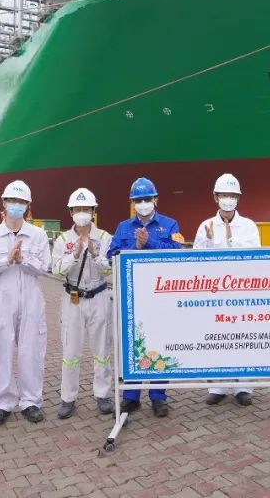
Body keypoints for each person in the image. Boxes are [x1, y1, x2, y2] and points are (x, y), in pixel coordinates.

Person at [0, 180, 52, 426]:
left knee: (32, 349)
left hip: (31, 299)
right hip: (1, 299)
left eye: (21, 202)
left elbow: (44, 266)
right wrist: (6, 260)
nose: (16, 205)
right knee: (1, 349)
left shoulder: (38, 235)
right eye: (12, 201)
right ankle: (3, 403)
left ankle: (31, 401)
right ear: (4, 203)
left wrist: (23, 259)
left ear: (28, 206)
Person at [107, 177, 185, 417]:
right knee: (132, 345)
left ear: (155, 200)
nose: (142, 204)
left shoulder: (170, 225)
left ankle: (158, 396)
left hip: (159, 295)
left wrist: (149, 242)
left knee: (159, 343)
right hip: (132, 296)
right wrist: (135, 248)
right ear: (133, 203)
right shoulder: (123, 227)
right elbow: (112, 255)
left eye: (146, 199)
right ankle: (131, 397)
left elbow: (178, 251)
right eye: (138, 200)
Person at [194, 173, 262, 406]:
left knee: (244, 338)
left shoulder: (249, 226)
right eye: (224, 195)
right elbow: (196, 260)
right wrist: (210, 242)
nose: (228, 199)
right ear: (215, 197)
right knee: (215, 338)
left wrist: (231, 241)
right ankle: (217, 386)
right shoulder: (206, 226)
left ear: (238, 198)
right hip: (215, 293)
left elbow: (254, 255)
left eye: (232, 195)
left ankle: (244, 386)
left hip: (242, 292)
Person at [52, 187, 115, 419]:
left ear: (93, 211)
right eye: (77, 209)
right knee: (71, 351)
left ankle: (102, 394)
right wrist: (75, 255)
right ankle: (68, 398)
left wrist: (95, 254)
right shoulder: (63, 240)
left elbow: (108, 269)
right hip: (73, 299)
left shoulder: (105, 238)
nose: (82, 213)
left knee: (102, 350)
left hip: (99, 297)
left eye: (86, 209)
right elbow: (56, 270)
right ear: (70, 212)